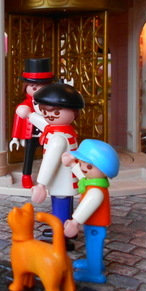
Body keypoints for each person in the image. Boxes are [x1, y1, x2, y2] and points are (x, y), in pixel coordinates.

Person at [62, 139, 120, 283]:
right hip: (92, 223)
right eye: (82, 163)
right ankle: (94, 264)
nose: (83, 167)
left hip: (96, 225)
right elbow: (82, 175)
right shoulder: (92, 181)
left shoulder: (96, 190)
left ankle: (94, 273)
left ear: (104, 170)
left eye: (88, 166)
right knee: (91, 245)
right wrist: (72, 164)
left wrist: (74, 222)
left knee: (94, 245)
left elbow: (86, 207)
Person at [29, 82, 84, 227]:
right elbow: (45, 124)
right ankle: (63, 228)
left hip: (61, 179)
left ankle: (61, 232)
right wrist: (29, 115)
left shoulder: (58, 139)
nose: (50, 116)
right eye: (45, 111)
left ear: (74, 112)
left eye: (56, 112)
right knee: (62, 203)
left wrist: (41, 184)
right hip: (64, 178)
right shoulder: (63, 131)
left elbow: (49, 161)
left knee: (60, 205)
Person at [9, 58, 54, 188]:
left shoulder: (51, 104)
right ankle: (26, 176)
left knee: (49, 157)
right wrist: (15, 138)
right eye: (31, 85)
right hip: (31, 135)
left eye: (39, 85)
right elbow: (18, 121)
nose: (35, 88)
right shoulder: (24, 105)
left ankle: (47, 179)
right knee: (28, 156)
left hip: (47, 134)